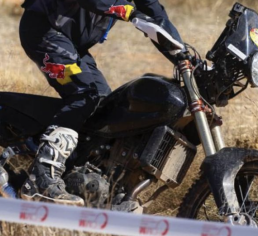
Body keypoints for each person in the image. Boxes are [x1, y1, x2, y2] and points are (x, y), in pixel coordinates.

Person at [19, 0, 183, 205]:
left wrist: (183, 57)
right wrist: (131, 13)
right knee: (84, 95)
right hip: (44, 30)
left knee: (104, 106)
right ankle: (40, 179)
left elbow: (155, 14)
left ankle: (76, 176)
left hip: (72, 42)